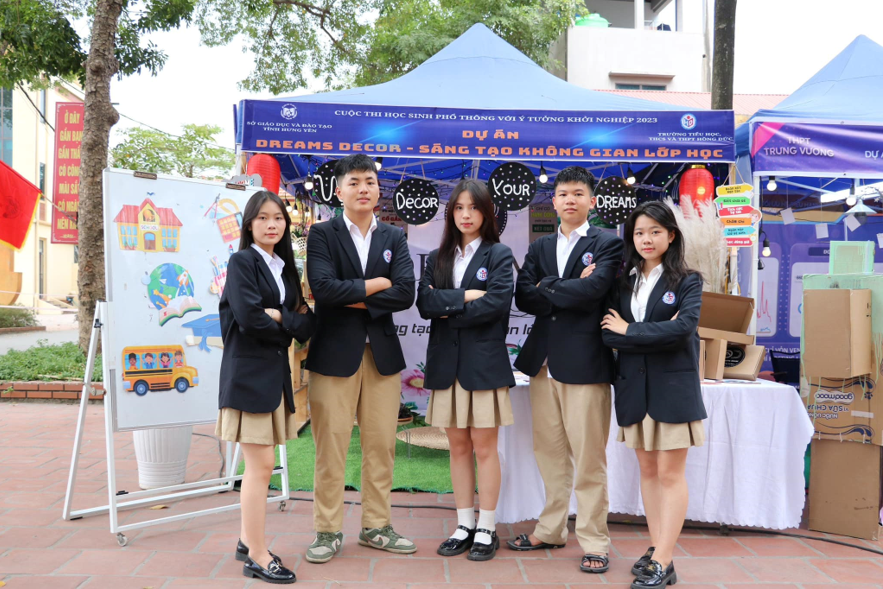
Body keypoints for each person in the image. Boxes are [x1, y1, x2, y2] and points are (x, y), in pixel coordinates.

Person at [510, 166, 624, 574]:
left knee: (589, 459)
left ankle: (595, 541)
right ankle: (551, 529)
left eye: (578, 193)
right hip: (543, 364)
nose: (570, 200)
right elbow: (524, 296)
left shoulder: (608, 243)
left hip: (586, 363)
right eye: (562, 194)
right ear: (554, 201)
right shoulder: (540, 246)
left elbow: (593, 292)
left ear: (592, 201)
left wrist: (548, 286)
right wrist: (567, 285)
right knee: (549, 453)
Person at [305, 154, 417, 563]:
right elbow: (323, 289)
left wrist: (351, 293)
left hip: (381, 355)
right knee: (331, 445)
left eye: (369, 181)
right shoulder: (322, 234)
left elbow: (405, 293)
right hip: (334, 353)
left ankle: (376, 526)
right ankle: (327, 530)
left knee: (381, 445)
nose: (363, 188)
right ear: (339, 191)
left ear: (378, 188)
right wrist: (376, 285)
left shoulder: (394, 237)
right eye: (354, 182)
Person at [600, 200, 706, 588]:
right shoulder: (623, 282)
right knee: (647, 471)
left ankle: (662, 557)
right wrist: (649, 333)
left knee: (669, 473)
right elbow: (608, 335)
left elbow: (683, 330)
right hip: (634, 388)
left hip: (673, 389)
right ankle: (660, 549)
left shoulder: (688, 280)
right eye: (639, 232)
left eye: (655, 232)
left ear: (671, 235)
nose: (646, 239)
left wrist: (631, 330)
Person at [216, 190, 315, 585]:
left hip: (273, 378)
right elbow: (249, 319)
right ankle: (257, 555)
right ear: (249, 224)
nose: (272, 224)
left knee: (261, 465)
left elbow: (307, 324)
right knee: (259, 468)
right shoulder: (242, 262)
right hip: (248, 378)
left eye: (278, 218)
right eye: (263, 218)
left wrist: (281, 317)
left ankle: (247, 541)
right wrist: (284, 321)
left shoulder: (286, 270)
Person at [417, 179, 515, 561]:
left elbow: (496, 304)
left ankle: (487, 527)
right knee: (457, 447)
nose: (466, 215)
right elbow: (424, 305)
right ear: (451, 213)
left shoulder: (499, 254)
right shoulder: (437, 257)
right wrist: (466, 296)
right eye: (459, 207)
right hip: (447, 364)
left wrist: (448, 306)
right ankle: (464, 524)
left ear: (486, 212)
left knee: (485, 447)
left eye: (473, 207)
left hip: (484, 365)